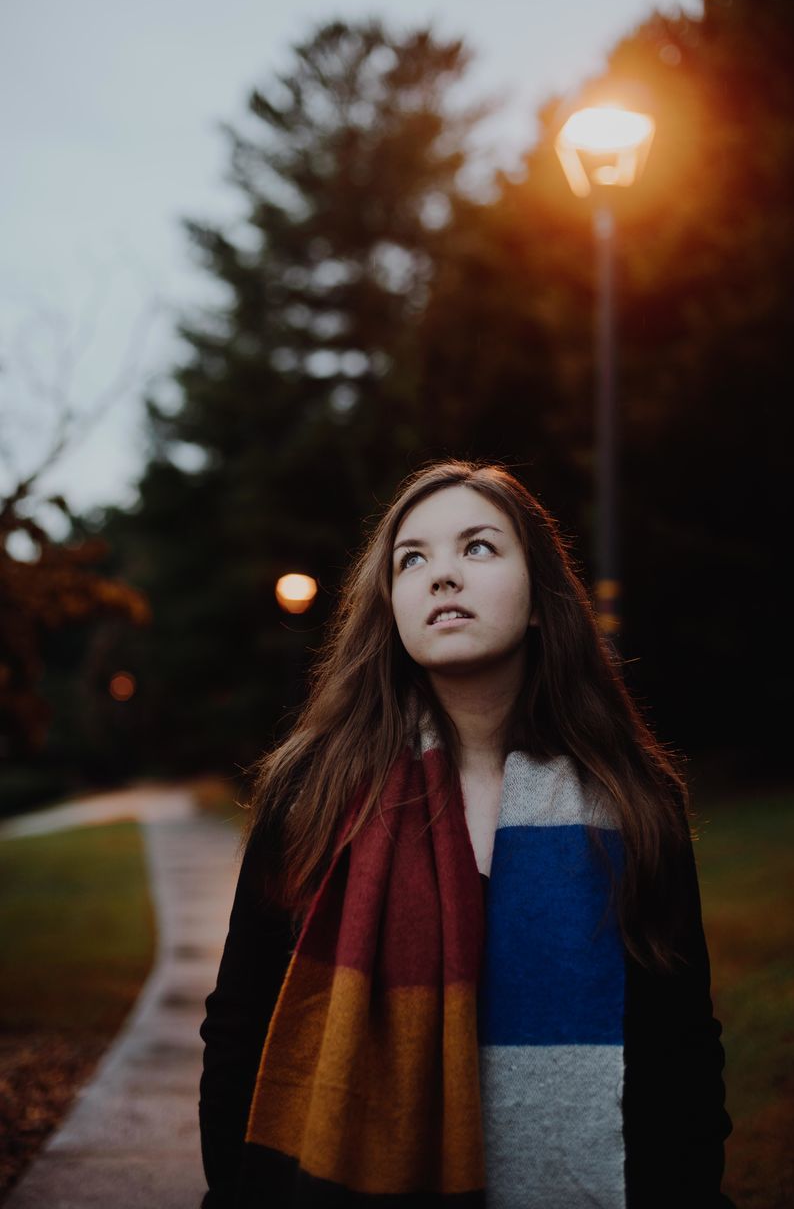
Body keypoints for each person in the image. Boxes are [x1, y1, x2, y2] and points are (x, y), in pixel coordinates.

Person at [199, 458, 735, 1208]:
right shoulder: (314, 794)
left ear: (542, 598)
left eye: (478, 548)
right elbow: (239, 1030)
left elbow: (680, 1049)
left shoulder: (634, 802)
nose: (441, 576)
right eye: (411, 560)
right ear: (390, 606)